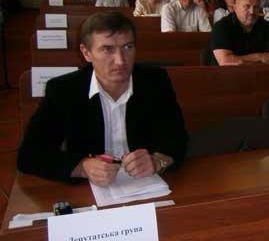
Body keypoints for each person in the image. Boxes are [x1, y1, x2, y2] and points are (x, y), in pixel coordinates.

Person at [17, 12, 187, 184]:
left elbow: (179, 138)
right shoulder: (64, 90)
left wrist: (158, 161)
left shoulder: (155, 81)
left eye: (128, 47)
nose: (120, 61)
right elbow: (29, 155)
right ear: (86, 52)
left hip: (146, 184)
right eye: (108, 49)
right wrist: (82, 167)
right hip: (89, 189)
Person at [211, 0, 269, 65]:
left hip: (260, 72)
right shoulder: (221, 26)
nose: (252, 11)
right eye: (247, 7)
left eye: (256, 7)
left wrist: (241, 60)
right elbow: (225, 61)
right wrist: (259, 57)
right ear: (235, 8)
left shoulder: (267, 26)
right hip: (224, 72)